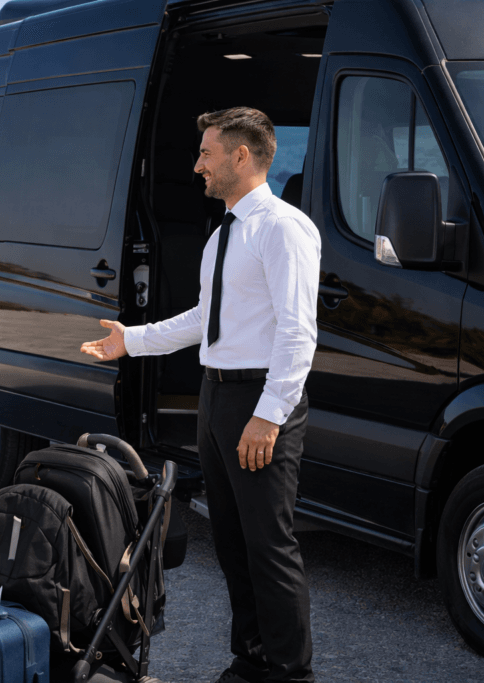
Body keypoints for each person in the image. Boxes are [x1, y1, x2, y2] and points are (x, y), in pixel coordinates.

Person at [80, 108, 321, 683]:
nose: (197, 166)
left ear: (242, 155)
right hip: (216, 398)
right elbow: (205, 319)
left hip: (259, 403)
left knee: (269, 544)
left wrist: (268, 416)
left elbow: (297, 331)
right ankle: (252, 658)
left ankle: (290, 671)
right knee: (233, 543)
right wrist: (131, 341)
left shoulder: (283, 228)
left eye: (207, 153)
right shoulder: (222, 234)